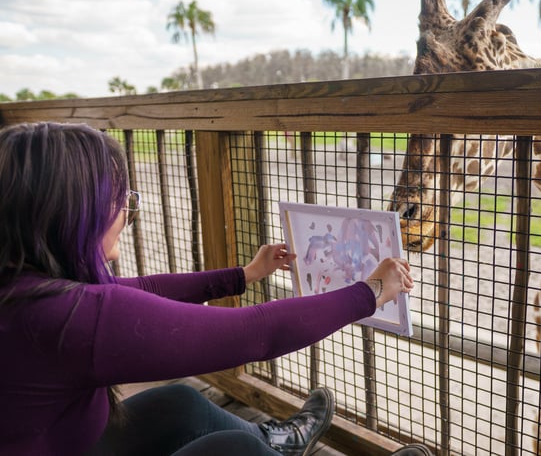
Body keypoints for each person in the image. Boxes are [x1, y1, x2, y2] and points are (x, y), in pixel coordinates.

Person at [0, 122, 420, 456]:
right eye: (116, 196)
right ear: (71, 213)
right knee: (234, 450)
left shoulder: (25, 286)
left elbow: (141, 290)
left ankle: (279, 443)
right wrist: (369, 291)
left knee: (177, 405)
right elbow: (255, 334)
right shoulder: (66, 317)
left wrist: (243, 275)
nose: (127, 209)